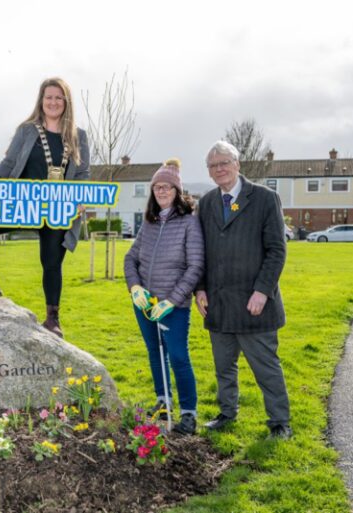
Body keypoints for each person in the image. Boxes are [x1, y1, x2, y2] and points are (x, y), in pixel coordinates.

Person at [0, 77, 90, 338]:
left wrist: (78, 201)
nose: (53, 102)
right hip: (22, 203)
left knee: (51, 262)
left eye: (59, 97)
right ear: (41, 100)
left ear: (66, 102)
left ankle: (53, 318)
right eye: (49, 97)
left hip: (56, 209)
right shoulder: (27, 130)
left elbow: (82, 173)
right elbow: (9, 161)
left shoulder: (79, 137)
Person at [196, 141, 292, 439]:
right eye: (213, 165)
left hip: (255, 304)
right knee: (224, 367)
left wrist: (263, 290)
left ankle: (279, 422)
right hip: (219, 303)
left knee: (266, 367)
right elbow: (199, 251)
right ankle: (227, 412)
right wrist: (199, 289)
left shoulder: (264, 198)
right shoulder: (207, 203)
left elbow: (277, 250)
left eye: (224, 162)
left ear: (238, 164)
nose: (219, 169)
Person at [124, 159, 204, 435]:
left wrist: (172, 301)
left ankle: (189, 413)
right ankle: (163, 400)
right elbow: (130, 258)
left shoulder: (189, 223)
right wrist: (135, 288)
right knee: (155, 352)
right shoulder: (149, 222)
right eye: (156, 187)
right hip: (146, 305)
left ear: (177, 191)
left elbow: (195, 267)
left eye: (166, 187)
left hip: (174, 306)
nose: (161, 191)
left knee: (179, 356)